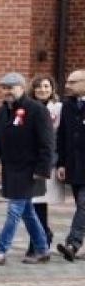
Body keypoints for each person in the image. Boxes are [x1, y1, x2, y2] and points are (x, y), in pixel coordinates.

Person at [0, 71, 54, 264]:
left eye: (11, 88)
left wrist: (42, 169)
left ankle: (0, 250)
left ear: (22, 88)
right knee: (27, 212)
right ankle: (42, 249)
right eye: (4, 88)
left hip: (30, 170)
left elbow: (47, 142)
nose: (7, 91)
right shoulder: (1, 111)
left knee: (14, 210)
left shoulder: (37, 109)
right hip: (11, 168)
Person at [53, 68, 85, 260]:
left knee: (83, 205)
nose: (67, 85)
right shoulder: (68, 105)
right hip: (74, 166)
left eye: (72, 82)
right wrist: (61, 164)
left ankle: (72, 244)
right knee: (81, 206)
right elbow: (62, 136)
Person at [31, 75, 66, 243]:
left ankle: (40, 239)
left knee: (38, 202)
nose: (42, 89)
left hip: (48, 161)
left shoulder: (59, 108)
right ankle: (44, 234)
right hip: (30, 161)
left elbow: (62, 136)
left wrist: (61, 162)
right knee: (33, 203)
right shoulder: (28, 107)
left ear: (52, 89)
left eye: (46, 86)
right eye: (38, 86)